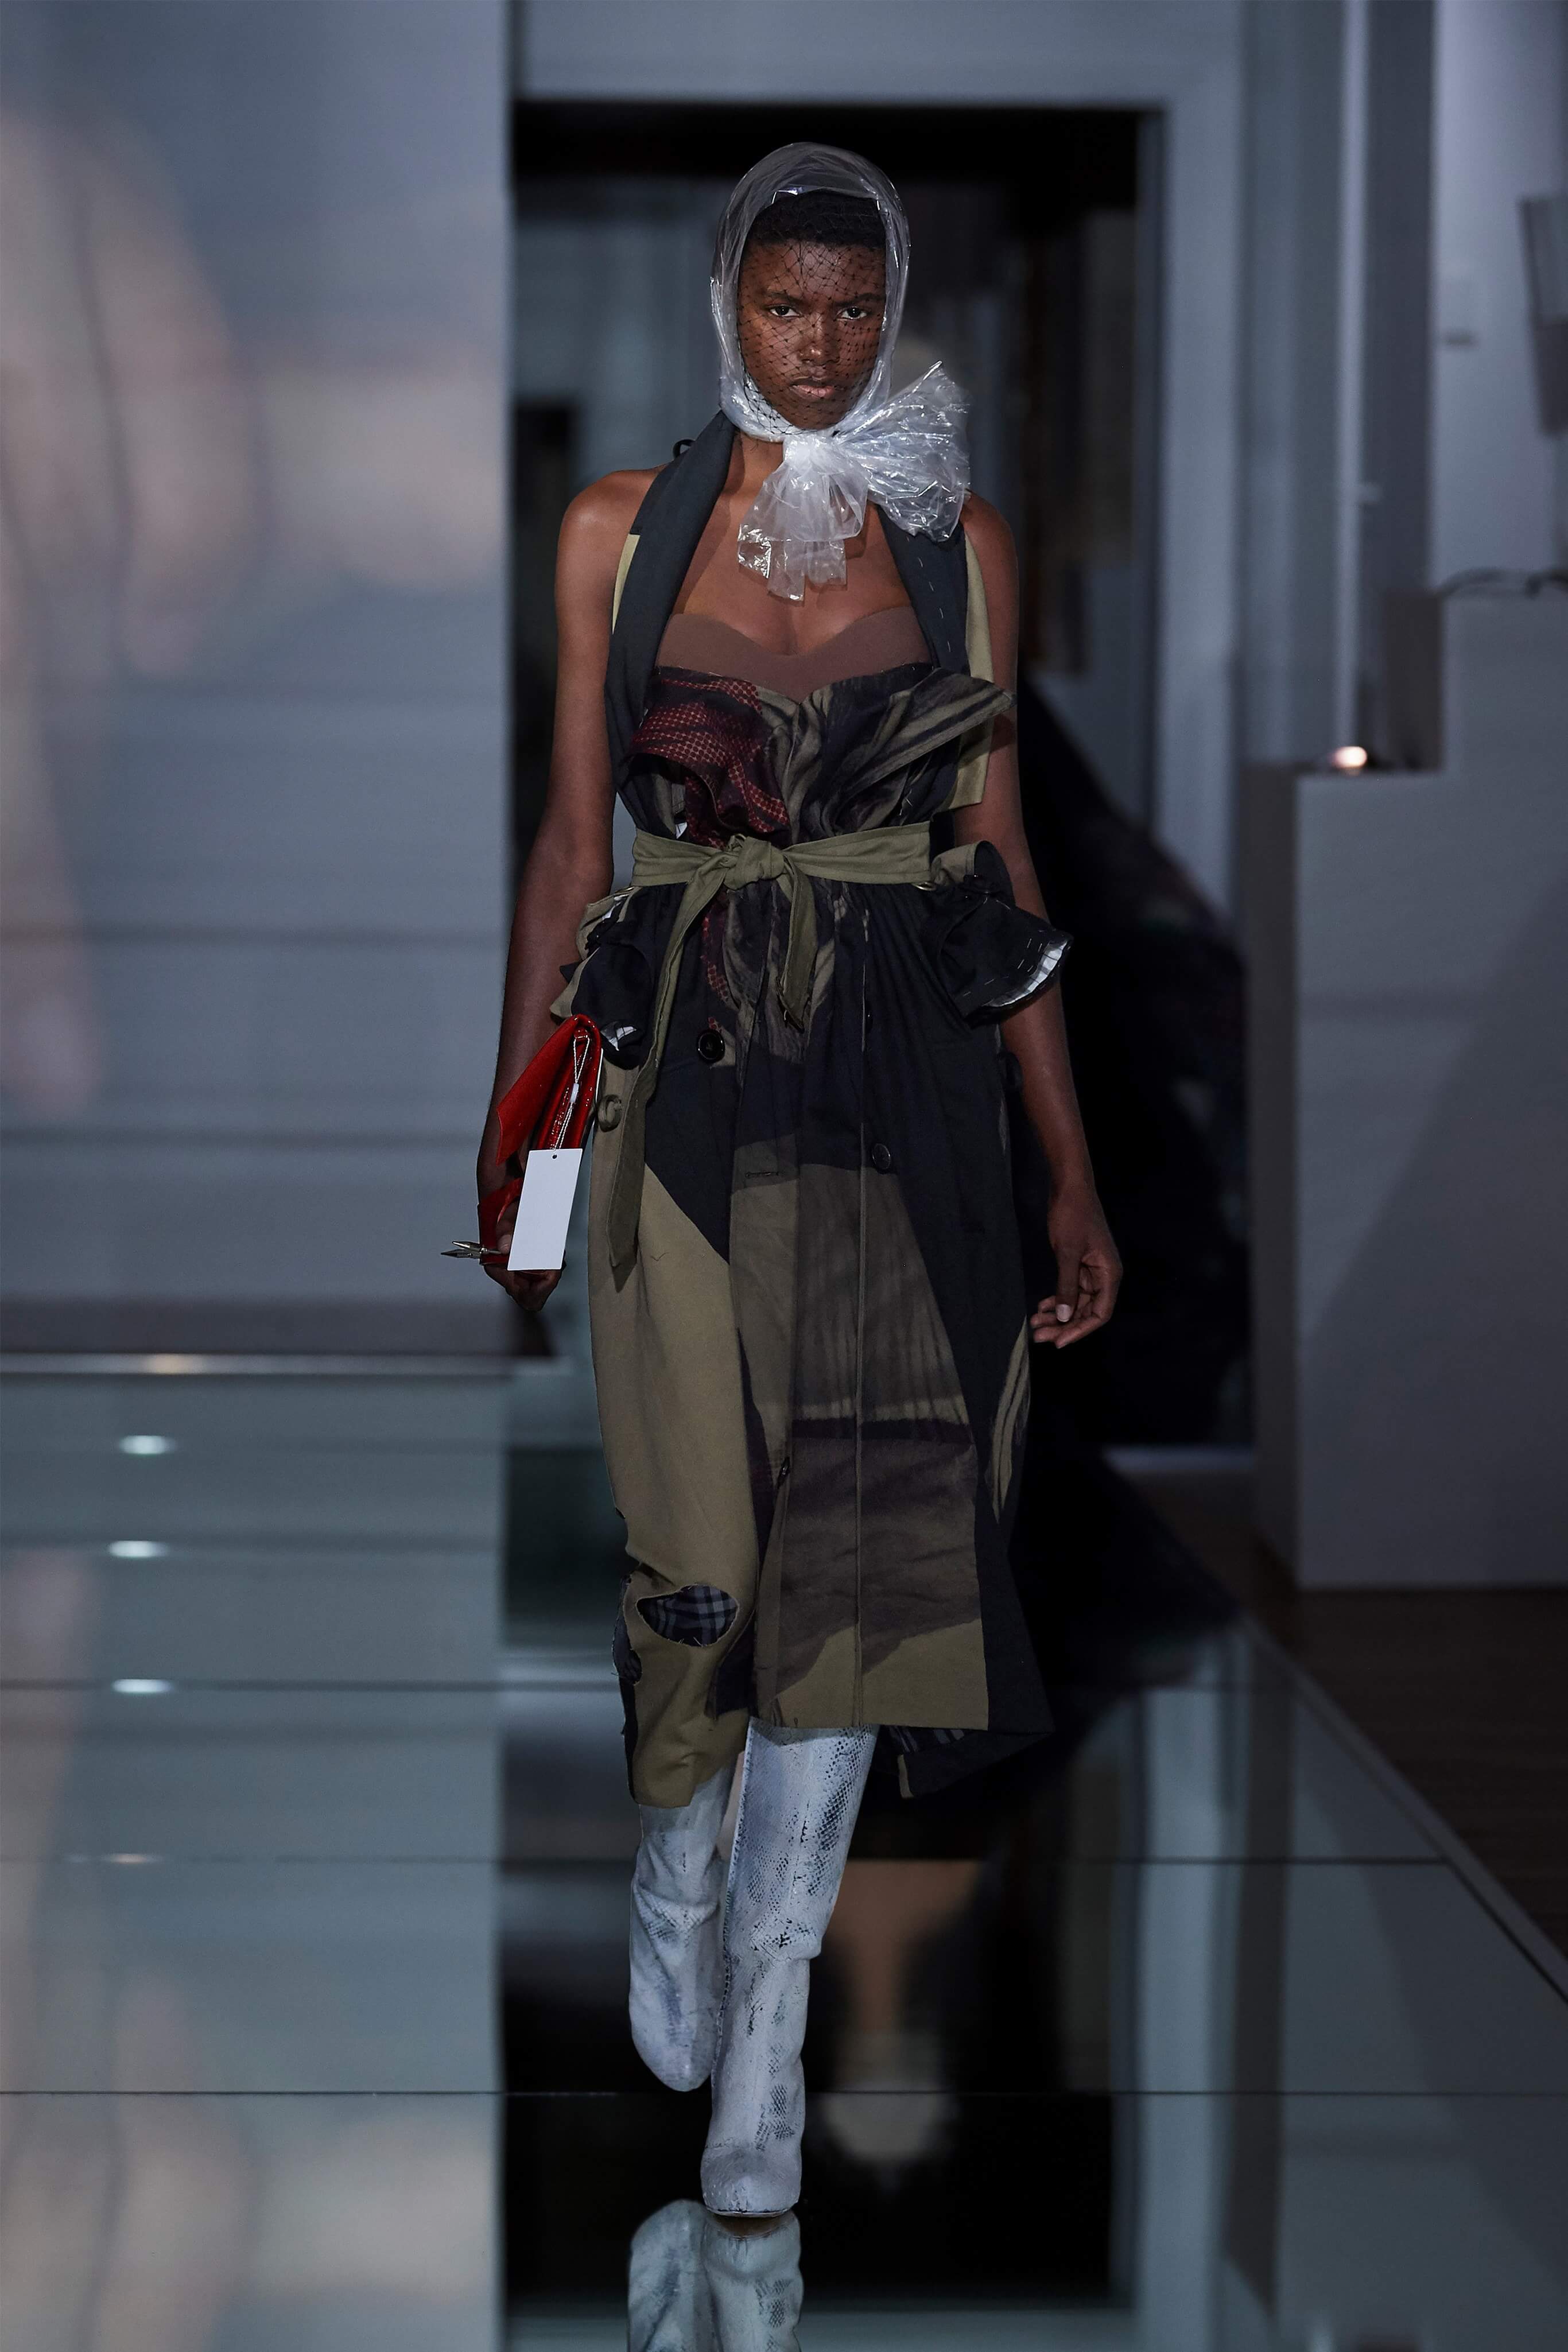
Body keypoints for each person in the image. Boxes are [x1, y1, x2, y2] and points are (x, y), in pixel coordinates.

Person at [478, 144, 1120, 2218]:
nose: (821, 343)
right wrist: (515, 1133)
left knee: (864, 1572)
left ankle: (769, 2031)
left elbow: (997, 862)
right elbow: (570, 843)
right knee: (702, 1559)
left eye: (854, 307)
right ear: (727, 304)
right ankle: (677, 1841)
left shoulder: (955, 541)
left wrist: (1068, 1169)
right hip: (685, 1077)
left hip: (901, 1090)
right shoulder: (618, 530)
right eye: (785, 305)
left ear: (890, 306)